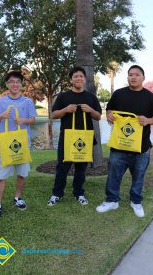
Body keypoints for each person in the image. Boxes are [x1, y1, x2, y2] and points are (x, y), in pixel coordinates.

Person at [96, 65, 153, 217]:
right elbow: (110, 110)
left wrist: (147, 120)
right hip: (119, 146)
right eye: (130, 74)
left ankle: (136, 201)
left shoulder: (150, 97)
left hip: (141, 148)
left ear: (143, 77)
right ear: (127, 77)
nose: (133, 77)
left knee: (138, 176)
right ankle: (112, 201)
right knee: (113, 175)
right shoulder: (119, 94)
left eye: (137, 75)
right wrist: (109, 115)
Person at [48, 66, 102, 206]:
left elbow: (98, 116)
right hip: (66, 138)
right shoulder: (63, 96)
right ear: (71, 79)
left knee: (81, 168)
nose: (78, 78)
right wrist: (66, 110)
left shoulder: (91, 97)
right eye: (75, 76)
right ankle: (57, 194)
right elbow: (53, 115)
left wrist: (90, 110)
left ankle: (79, 193)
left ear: (85, 79)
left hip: (85, 137)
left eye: (81, 76)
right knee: (62, 167)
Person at [0, 70, 37, 221]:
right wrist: (2, 116)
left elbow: (33, 119)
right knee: (1, 177)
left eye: (17, 82)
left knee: (22, 174)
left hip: (23, 144)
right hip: (6, 145)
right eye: (11, 82)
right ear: (7, 84)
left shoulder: (27, 101)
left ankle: (17, 198)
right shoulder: (0, 101)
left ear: (21, 84)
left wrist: (23, 121)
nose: (15, 84)